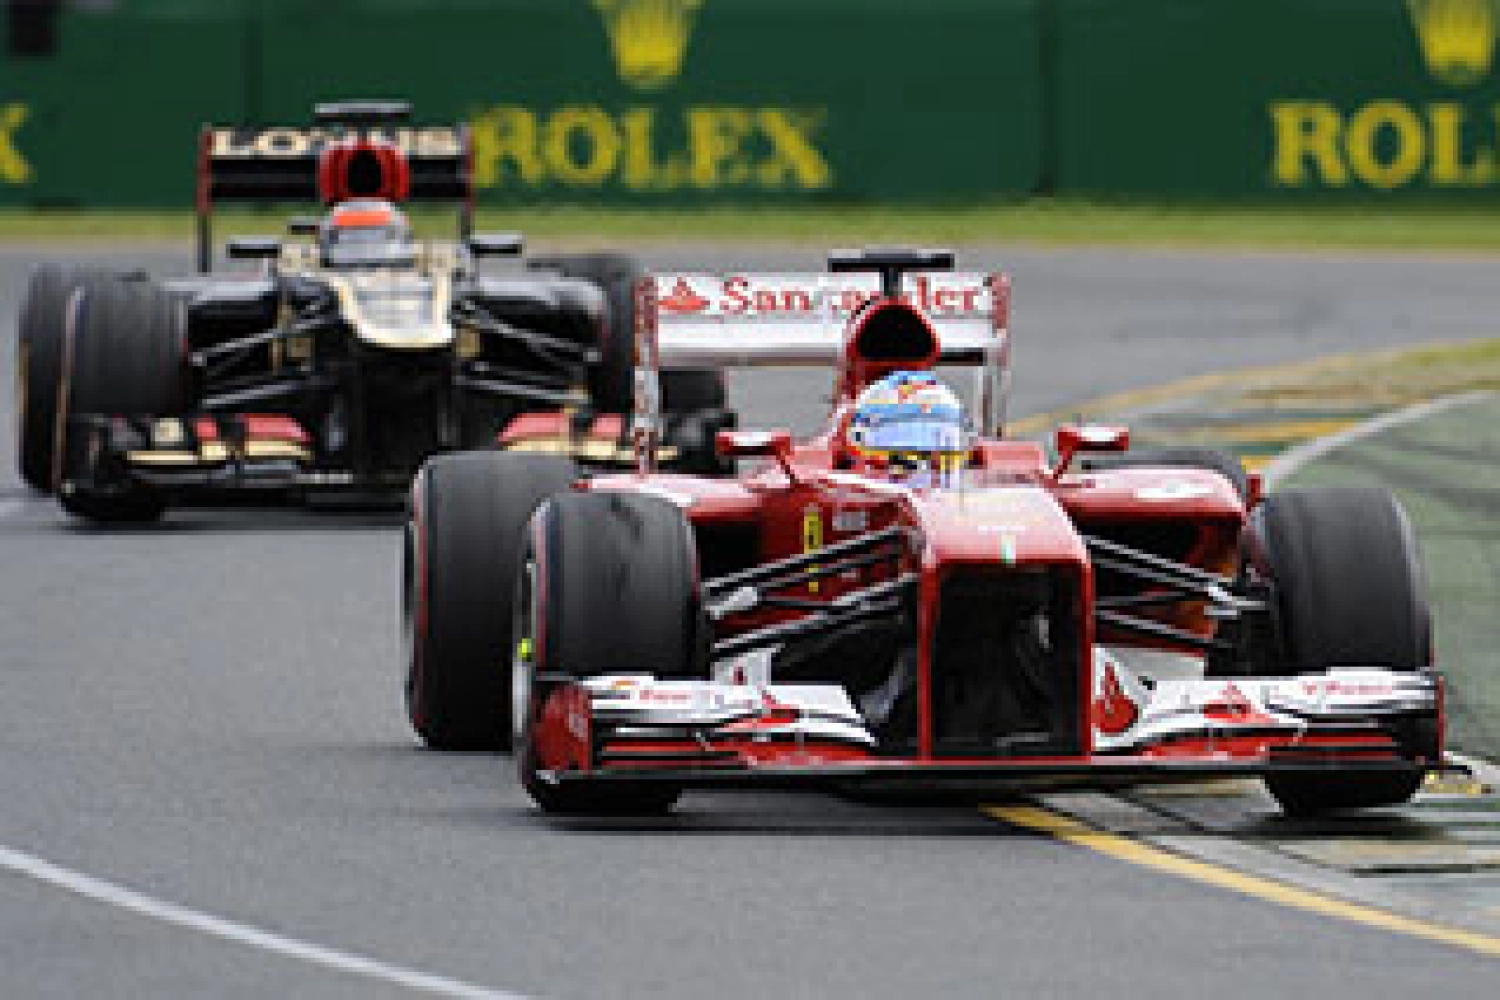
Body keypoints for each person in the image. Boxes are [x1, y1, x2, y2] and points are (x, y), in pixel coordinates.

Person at [847, 370, 972, 487]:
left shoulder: (875, 394)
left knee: (910, 476)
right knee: (942, 476)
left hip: (898, 422)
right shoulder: (934, 389)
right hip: (949, 418)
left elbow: (858, 435)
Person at [318, 199, 415, 268]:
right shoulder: (393, 213)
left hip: (341, 260)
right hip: (391, 258)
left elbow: (325, 239)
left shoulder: (337, 213)